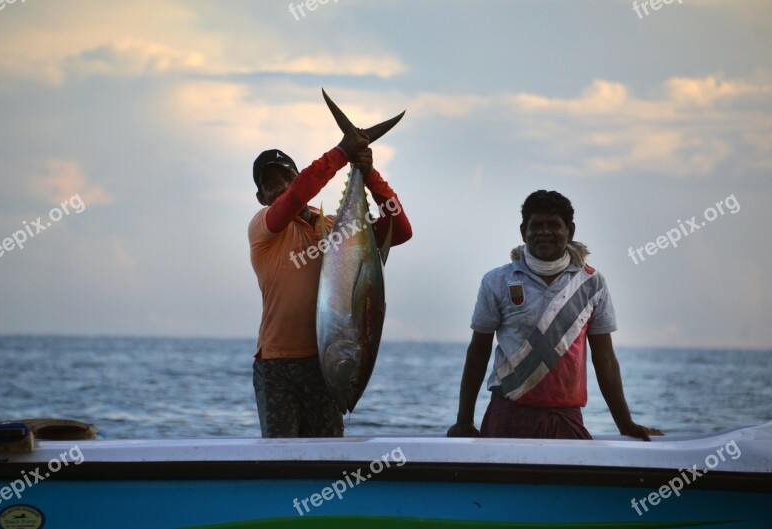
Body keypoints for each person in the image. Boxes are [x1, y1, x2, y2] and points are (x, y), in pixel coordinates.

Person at [447, 190, 662, 441]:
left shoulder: (592, 282)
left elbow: (605, 359)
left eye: (554, 225)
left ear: (570, 230)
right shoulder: (497, 281)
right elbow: (478, 352)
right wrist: (464, 421)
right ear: (523, 231)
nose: (544, 232)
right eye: (536, 225)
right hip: (508, 415)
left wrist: (625, 424)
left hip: (566, 418)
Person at [249, 129, 412, 438]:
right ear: (260, 197)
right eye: (271, 185)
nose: (282, 188)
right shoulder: (263, 228)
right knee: (281, 460)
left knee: (325, 458)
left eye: (287, 178)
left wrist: (369, 173)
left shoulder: (336, 229)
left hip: (327, 366)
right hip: (277, 368)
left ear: (297, 177)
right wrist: (341, 152)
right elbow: (296, 196)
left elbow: (400, 229)